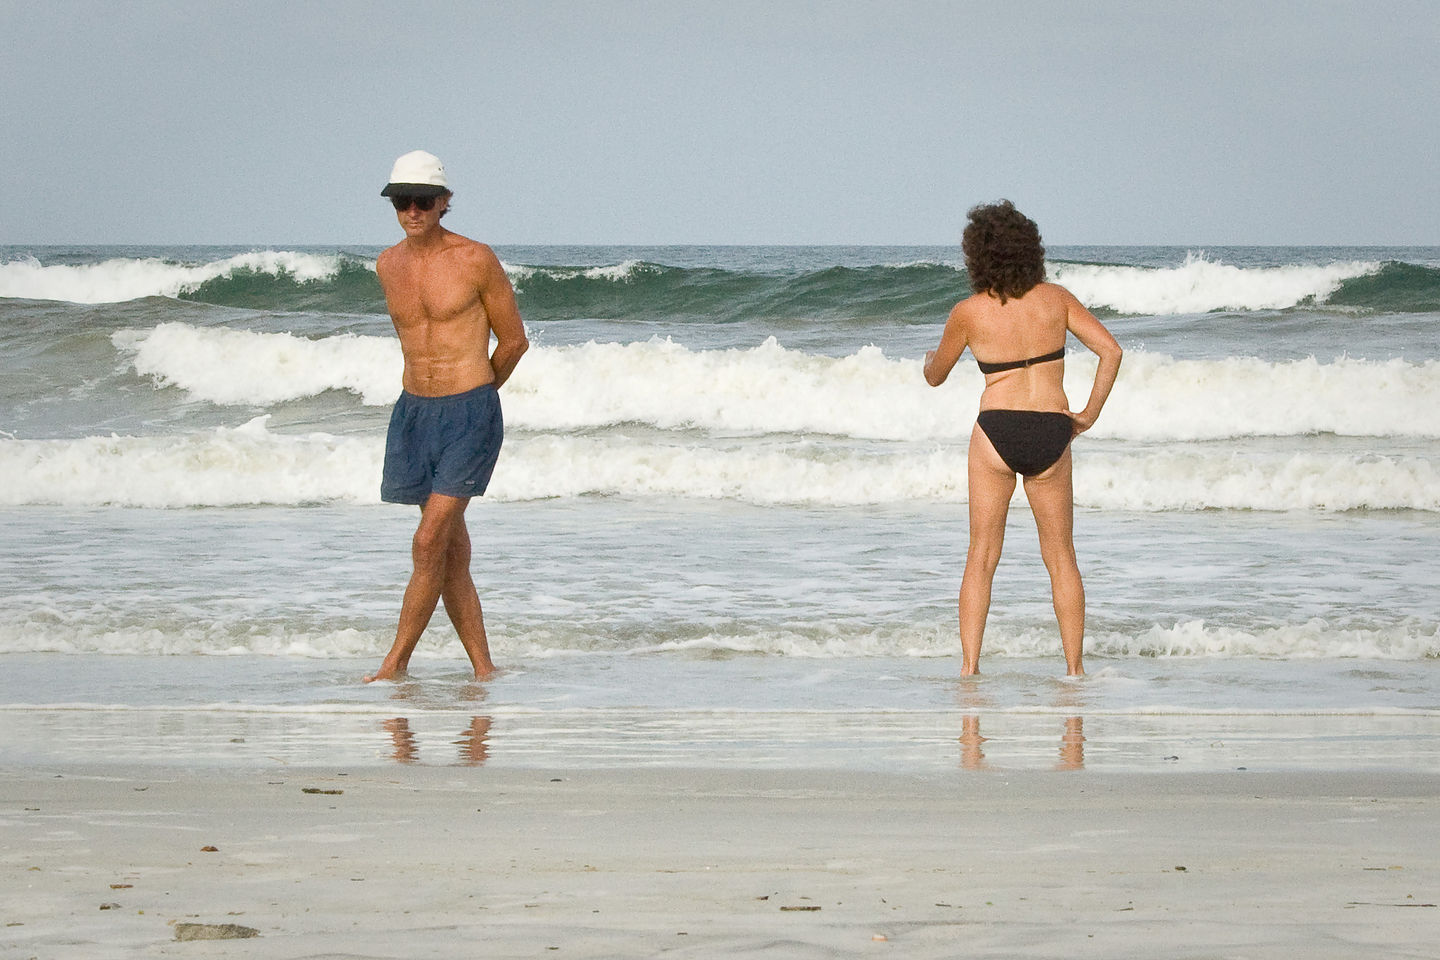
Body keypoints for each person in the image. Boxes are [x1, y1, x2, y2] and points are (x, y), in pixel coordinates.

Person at [924, 200, 1121, 676]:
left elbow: (936, 376)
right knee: (1061, 558)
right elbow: (1111, 352)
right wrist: (1087, 416)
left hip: (996, 432)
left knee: (982, 556)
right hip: (1052, 428)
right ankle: (1074, 671)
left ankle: (970, 670)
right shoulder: (1057, 299)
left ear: (977, 256)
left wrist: (929, 359)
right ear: (1030, 249)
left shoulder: (968, 312)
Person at [364, 150, 529, 682]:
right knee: (449, 550)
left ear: (443, 204)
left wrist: (476, 397)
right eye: (401, 202)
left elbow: (514, 341)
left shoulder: (475, 258)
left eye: (423, 201)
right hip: (413, 412)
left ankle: (394, 665)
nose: (412, 211)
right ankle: (484, 670)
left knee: (428, 541)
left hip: (468, 411)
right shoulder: (387, 265)